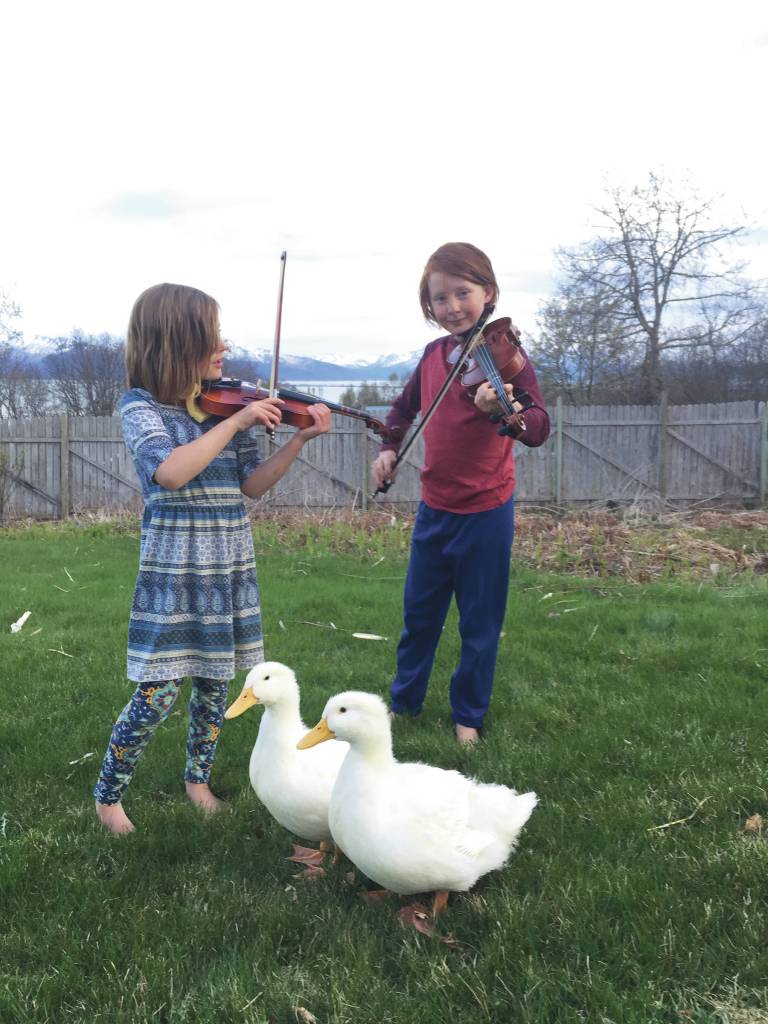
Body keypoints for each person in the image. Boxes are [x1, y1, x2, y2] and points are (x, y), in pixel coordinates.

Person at [94, 282, 330, 834]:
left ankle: (197, 780)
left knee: (216, 682)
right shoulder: (142, 407)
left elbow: (251, 486)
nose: (223, 348)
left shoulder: (232, 404)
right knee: (159, 688)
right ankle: (108, 795)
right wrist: (235, 424)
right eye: (211, 338)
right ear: (175, 345)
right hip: (175, 565)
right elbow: (171, 472)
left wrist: (297, 442)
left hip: (227, 558)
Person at [371, 242, 550, 745]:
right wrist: (388, 449)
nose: (452, 307)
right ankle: (404, 704)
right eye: (440, 298)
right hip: (435, 508)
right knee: (419, 616)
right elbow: (402, 412)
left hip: (487, 511)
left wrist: (503, 412)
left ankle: (468, 716)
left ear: (488, 292)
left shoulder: (504, 359)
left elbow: (537, 426)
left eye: (462, 293)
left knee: (479, 623)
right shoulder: (432, 357)